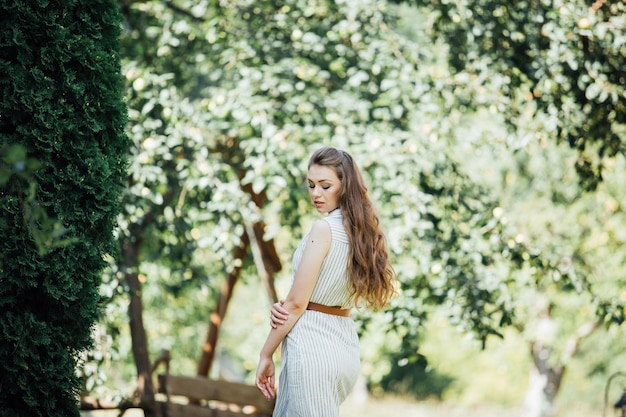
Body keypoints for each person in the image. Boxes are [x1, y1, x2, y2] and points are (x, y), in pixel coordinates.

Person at [255, 146, 396, 416]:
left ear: (345, 186)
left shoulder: (324, 228)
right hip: (343, 347)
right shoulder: (361, 234)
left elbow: (297, 304)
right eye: (311, 185)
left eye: (325, 185)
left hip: (312, 348)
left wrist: (265, 354)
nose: (316, 194)